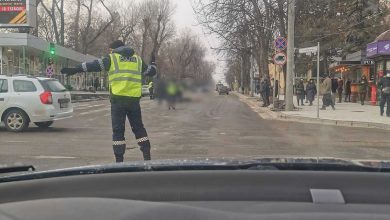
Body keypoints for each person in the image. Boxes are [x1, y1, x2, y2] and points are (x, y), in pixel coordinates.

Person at [61, 40, 156, 162]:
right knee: (139, 128)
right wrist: (153, 63)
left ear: (114, 49)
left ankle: (119, 162)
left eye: (110, 50)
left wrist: (75, 69)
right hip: (133, 101)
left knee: (118, 132)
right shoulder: (137, 60)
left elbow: (93, 65)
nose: (109, 52)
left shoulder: (112, 58)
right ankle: (147, 159)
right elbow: (151, 71)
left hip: (118, 101)